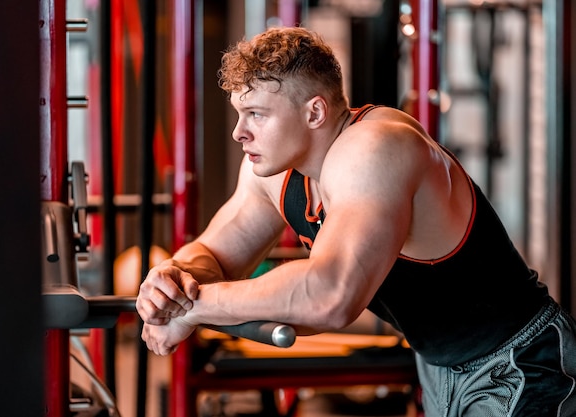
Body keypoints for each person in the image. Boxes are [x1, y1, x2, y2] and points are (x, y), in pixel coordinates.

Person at [136, 26, 576, 416]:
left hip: (518, 361)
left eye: (257, 115)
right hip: (439, 365)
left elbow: (330, 295)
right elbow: (214, 253)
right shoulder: (269, 171)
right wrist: (173, 280)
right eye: (239, 113)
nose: (239, 132)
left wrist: (195, 308)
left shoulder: (374, 148)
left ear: (314, 113)